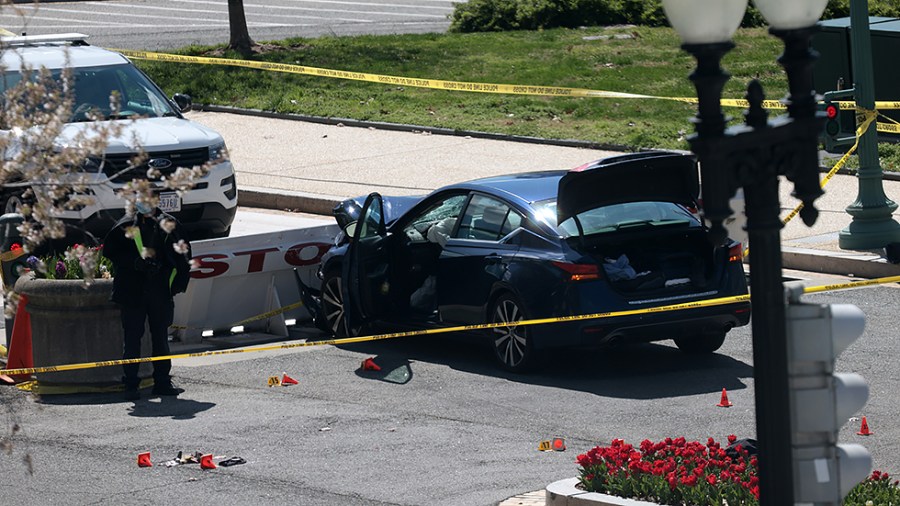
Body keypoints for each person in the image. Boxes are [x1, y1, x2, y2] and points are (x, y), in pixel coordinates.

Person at [103, 200, 192, 401]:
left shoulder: (169, 224)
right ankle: (131, 385)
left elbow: (184, 258)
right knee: (132, 339)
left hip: (159, 289)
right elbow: (111, 252)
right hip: (132, 290)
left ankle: (162, 382)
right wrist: (134, 263)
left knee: (160, 337)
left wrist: (173, 283)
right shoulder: (125, 225)